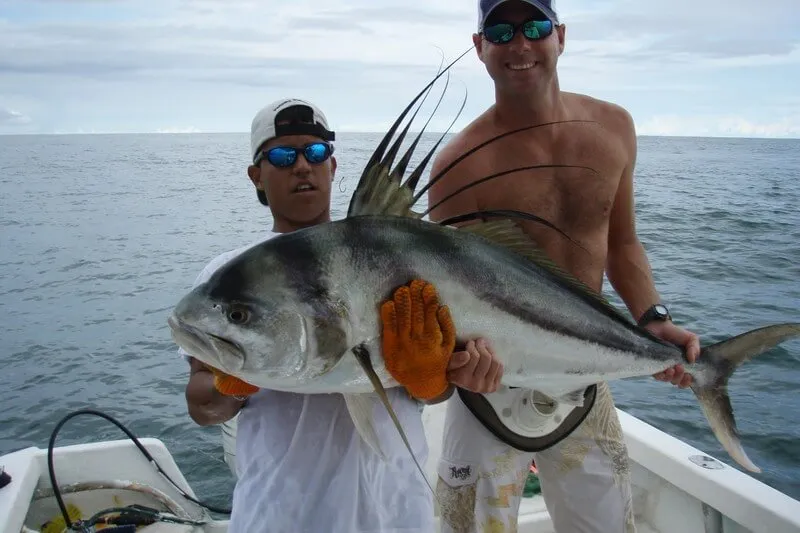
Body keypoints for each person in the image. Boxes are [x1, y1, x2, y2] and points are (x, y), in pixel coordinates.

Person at [423, 1, 702, 532]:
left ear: (561, 36)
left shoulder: (614, 127)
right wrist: (457, 359)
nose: (520, 44)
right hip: (488, 389)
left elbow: (621, 244)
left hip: (585, 378)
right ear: (480, 47)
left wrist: (652, 318)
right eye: (501, 31)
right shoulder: (460, 165)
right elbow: (451, 295)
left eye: (535, 27)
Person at [180, 97, 504, 533]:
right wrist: (232, 381)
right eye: (281, 155)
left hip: (396, 511)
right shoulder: (230, 277)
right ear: (257, 175)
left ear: (332, 167)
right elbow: (202, 405)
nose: (301, 166)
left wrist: (431, 380)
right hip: (280, 514)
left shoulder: (401, 264)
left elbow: (430, 394)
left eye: (316, 153)